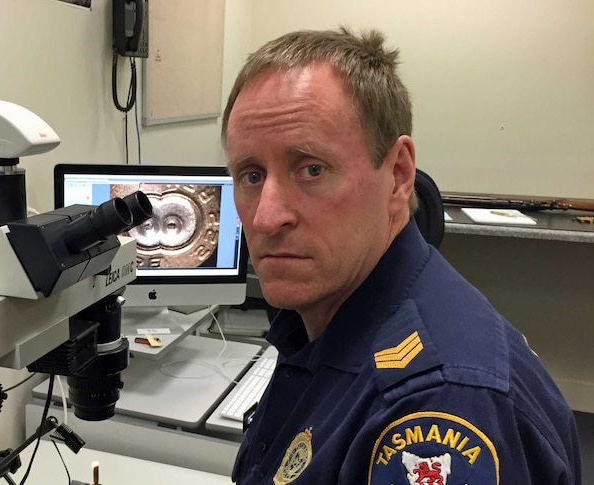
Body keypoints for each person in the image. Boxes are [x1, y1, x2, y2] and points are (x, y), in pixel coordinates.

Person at [222, 27, 581, 484]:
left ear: (397, 175)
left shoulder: (436, 405)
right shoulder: (325, 320)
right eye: (250, 175)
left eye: (311, 169)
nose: (267, 217)